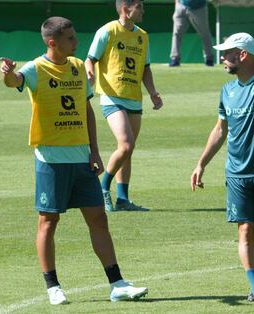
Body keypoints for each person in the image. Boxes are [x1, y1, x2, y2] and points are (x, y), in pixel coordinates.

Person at [0, 16, 148, 305]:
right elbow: (14, 81)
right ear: (52, 42)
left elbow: (86, 109)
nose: (76, 42)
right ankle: (53, 286)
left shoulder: (79, 67)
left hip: (82, 159)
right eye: (70, 38)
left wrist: (94, 150)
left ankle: (117, 284)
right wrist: (7, 72)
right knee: (48, 221)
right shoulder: (35, 68)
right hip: (51, 160)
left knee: (98, 219)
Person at [190, 33, 254, 306]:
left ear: (242, 55)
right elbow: (220, 130)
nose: (223, 58)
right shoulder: (227, 91)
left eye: (228, 53)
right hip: (236, 174)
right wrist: (201, 164)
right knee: (245, 230)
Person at [85, 0, 163, 212]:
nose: (144, 11)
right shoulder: (108, 31)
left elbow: (145, 68)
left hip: (134, 98)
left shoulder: (142, 36)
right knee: (126, 144)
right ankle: (103, 187)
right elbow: (90, 59)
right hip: (112, 96)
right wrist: (90, 72)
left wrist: (153, 92)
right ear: (126, 9)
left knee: (127, 151)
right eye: (140, 7)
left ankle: (122, 199)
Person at [169, 0, 214, 67]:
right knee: (176, 34)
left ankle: (209, 59)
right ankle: (174, 59)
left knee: (204, 34)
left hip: (198, 8)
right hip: (180, 6)